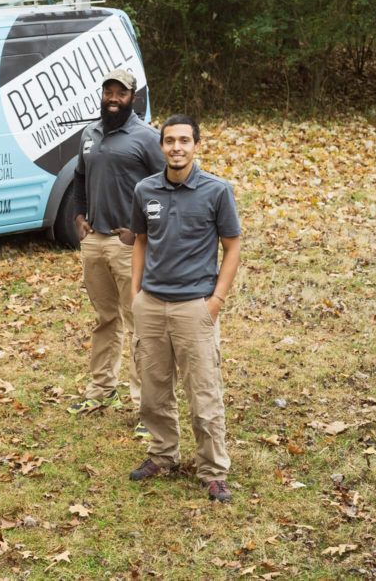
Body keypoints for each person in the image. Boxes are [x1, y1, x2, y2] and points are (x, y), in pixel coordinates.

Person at [128, 114, 241, 503]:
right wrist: (135, 294)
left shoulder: (216, 191)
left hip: (195, 307)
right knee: (153, 391)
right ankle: (162, 455)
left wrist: (216, 302)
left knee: (204, 394)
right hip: (152, 305)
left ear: (196, 145)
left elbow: (233, 246)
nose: (177, 147)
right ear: (161, 146)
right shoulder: (145, 190)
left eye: (184, 141)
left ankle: (213, 471)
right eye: (170, 141)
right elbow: (140, 241)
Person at [68, 68, 165, 438]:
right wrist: (79, 215)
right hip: (94, 241)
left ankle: (149, 409)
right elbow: (79, 177)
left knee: (139, 324)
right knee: (105, 318)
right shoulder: (89, 134)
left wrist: (142, 232)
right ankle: (100, 390)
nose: (113, 98)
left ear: (133, 97)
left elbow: (167, 187)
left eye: (120, 93)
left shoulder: (146, 138)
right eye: (108, 91)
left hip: (129, 246)